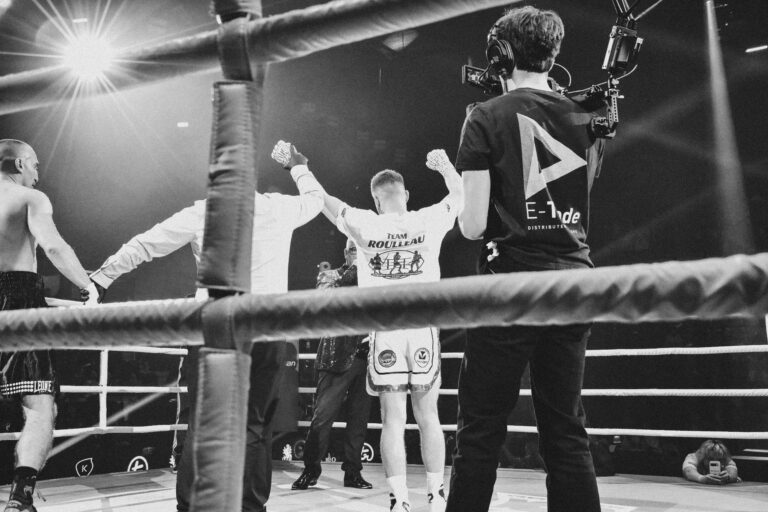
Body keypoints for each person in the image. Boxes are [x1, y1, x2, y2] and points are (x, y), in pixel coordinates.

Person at [89, 153, 324, 512]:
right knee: (256, 426)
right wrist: (298, 166)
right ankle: (249, 507)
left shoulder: (204, 212)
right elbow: (316, 200)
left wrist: (102, 278)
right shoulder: (278, 208)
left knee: (203, 425)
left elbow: (144, 245)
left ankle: (192, 506)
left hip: (215, 330)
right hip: (265, 330)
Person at [447, 7, 606, 512]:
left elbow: (472, 226)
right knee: (565, 429)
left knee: (480, 432)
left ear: (502, 54)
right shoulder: (587, 114)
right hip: (573, 281)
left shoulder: (485, 115)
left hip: (510, 283)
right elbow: (576, 201)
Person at [273, 142, 462, 512]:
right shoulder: (427, 219)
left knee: (393, 419)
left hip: (384, 332)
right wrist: (444, 166)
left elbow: (322, 200)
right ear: (404, 194)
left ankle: (399, 500)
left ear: (376, 200)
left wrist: (298, 166)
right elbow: (460, 195)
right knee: (429, 416)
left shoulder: (366, 223)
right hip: (422, 328)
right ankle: (437, 496)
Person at [0, 139, 98, 512]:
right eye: (36, 165)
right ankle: (20, 497)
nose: (39, 173)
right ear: (21, 163)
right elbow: (53, 246)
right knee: (39, 404)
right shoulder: (29, 198)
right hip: (17, 297)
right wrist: (88, 287)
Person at [291, 239, 373, 491]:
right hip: (335, 355)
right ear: (345, 253)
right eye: (351, 249)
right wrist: (355, 271)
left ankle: (353, 472)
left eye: (359, 249)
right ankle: (310, 469)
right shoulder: (330, 276)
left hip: (367, 356)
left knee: (359, 421)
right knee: (322, 417)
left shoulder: (373, 279)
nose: (355, 253)